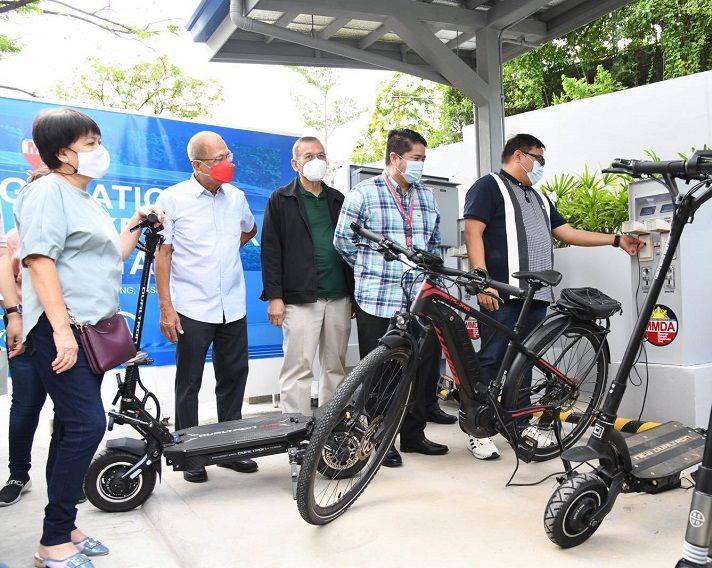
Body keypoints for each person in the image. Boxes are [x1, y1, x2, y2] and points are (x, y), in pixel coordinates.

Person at [16, 107, 163, 567]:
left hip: (90, 331)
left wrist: (135, 226)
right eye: (90, 144)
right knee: (87, 425)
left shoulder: (85, 196)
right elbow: (39, 261)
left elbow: (107, 258)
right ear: (62, 153)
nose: (100, 151)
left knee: (70, 426)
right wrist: (61, 331)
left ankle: (64, 525)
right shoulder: (47, 193)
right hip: (65, 331)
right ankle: (51, 542)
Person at [463, 133, 643, 460]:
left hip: (537, 296)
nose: (541, 166)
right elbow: (473, 231)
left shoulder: (541, 198)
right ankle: (479, 431)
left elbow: (568, 233)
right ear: (519, 155)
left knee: (525, 364)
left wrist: (616, 240)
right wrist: (482, 280)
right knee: (491, 360)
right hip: (502, 293)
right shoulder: (488, 186)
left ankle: (517, 428)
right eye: (538, 159)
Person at [334, 128, 447, 468]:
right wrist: (371, 270)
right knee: (380, 372)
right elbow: (343, 242)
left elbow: (434, 243)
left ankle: (413, 436)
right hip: (376, 297)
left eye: (423, 160)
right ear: (395, 159)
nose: (420, 166)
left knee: (419, 368)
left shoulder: (426, 197)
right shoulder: (363, 194)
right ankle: (380, 440)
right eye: (416, 159)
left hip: (418, 299)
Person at [154, 131, 258, 484]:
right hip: (192, 305)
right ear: (197, 165)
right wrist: (167, 308)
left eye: (228, 155)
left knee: (233, 377)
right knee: (189, 382)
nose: (227, 164)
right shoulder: (173, 199)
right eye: (218, 159)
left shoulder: (237, 197)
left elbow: (249, 230)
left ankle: (231, 450)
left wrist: (225, 250)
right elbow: (163, 254)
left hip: (232, 302)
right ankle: (191, 454)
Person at [260, 136, 354, 415]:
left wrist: (353, 296)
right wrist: (275, 297)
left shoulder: (337, 199)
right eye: (309, 156)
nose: (317, 161)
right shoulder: (281, 198)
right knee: (297, 369)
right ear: (295, 163)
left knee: (335, 368)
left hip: (338, 296)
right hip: (300, 298)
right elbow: (270, 250)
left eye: (321, 155)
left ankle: (330, 432)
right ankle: (296, 438)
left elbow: (351, 248)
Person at [0, 224, 30, 508]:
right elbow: (6, 276)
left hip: (67, 329)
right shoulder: (13, 237)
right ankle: (18, 474)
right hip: (25, 331)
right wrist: (13, 317)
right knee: (24, 407)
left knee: (68, 410)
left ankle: (66, 474)